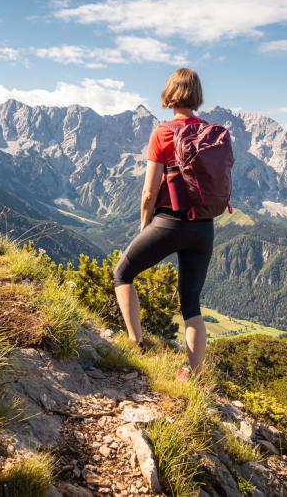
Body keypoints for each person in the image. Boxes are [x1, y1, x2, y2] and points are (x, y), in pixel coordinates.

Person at [112, 68, 216, 379]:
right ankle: (193, 377)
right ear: (196, 96)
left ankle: (136, 343)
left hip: (169, 222)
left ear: (170, 94)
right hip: (204, 227)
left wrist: (146, 227)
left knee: (123, 272)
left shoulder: (163, 133)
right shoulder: (211, 134)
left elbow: (149, 192)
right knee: (191, 305)